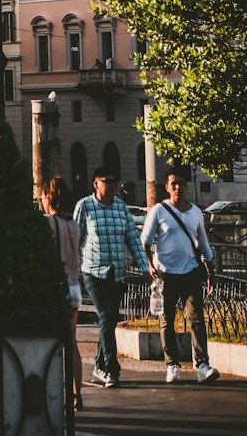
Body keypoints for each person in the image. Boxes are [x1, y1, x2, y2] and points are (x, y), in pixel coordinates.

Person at [142, 169, 219, 385]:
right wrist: (150, 264)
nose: (178, 187)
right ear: (167, 187)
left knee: (196, 319)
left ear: (187, 186)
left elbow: (203, 243)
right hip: (166, 274)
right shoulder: (159, 210)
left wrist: (211, 272)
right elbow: (145, 240)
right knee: (166, 320)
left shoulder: (196, 213)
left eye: (181, 183)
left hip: (191, 271)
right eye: (173, 184)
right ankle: (172, 364)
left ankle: (202, 365)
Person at [74, 165, 149, 389]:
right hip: (93, 272)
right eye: (107, 180)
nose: (112, 185)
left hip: (118, 273)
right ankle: (110, 369)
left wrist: (144, 266)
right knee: (106, 317)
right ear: (96, 184)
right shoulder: (84, 206)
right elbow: (75, 238)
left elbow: (132, 238)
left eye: (114, 181)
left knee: (109, 321)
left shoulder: (121, 207)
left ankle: (98, 365)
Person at [41, 177, 84, 412]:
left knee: (53, 343)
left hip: (57, 288)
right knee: (72, 343)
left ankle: (54, 395)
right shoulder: (74, 226)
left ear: (48, 198)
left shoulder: (47, 223)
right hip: (75, 287)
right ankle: (77, 396)